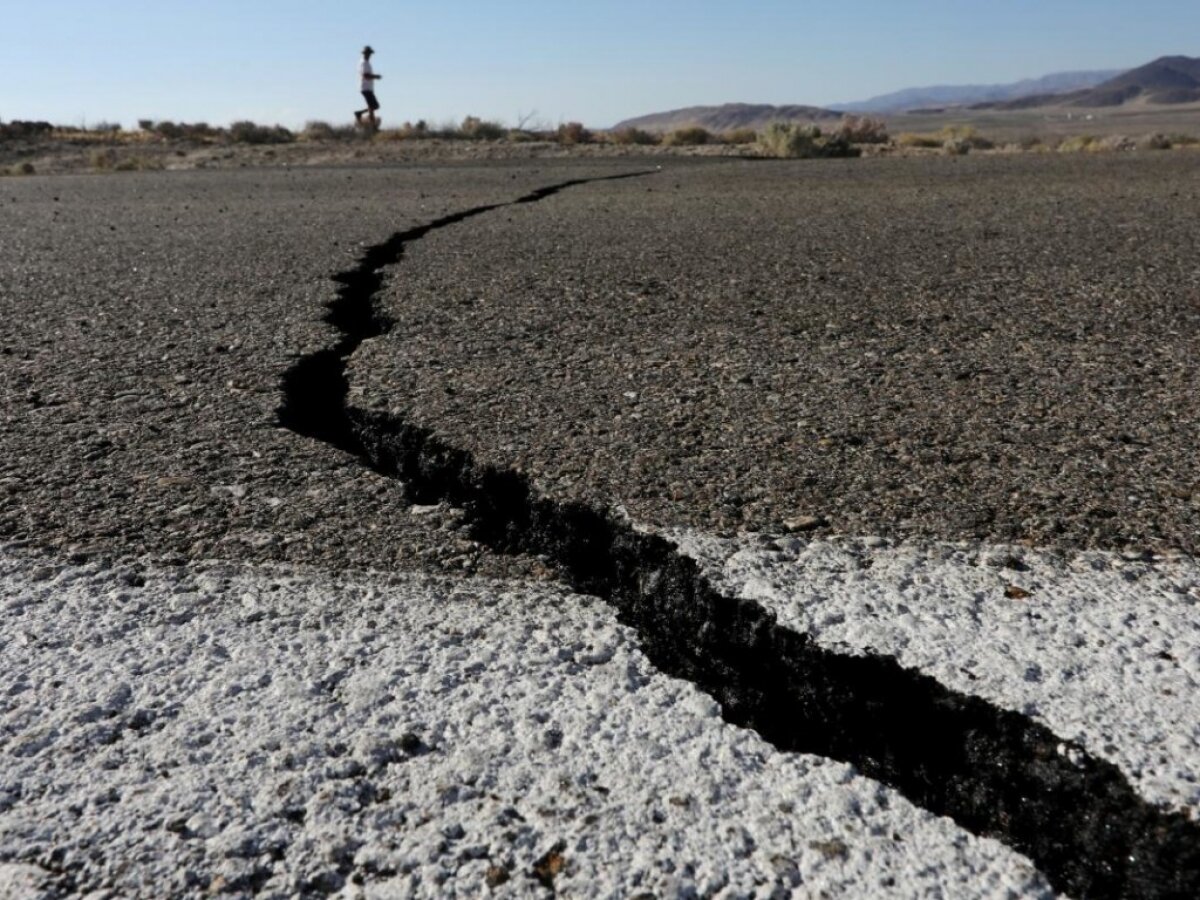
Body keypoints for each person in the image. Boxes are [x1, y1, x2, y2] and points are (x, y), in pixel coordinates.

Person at [355, 46, 382, 128]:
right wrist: (375, 77)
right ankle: (373, 126)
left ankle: (360, 114)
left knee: (373, 106)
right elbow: (365, 75)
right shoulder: (364, 63)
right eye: (368, 53)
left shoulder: (366, 63)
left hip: (368, 88)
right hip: (365, 88)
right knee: (373, 106)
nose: (369, 55)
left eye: (370, 53)